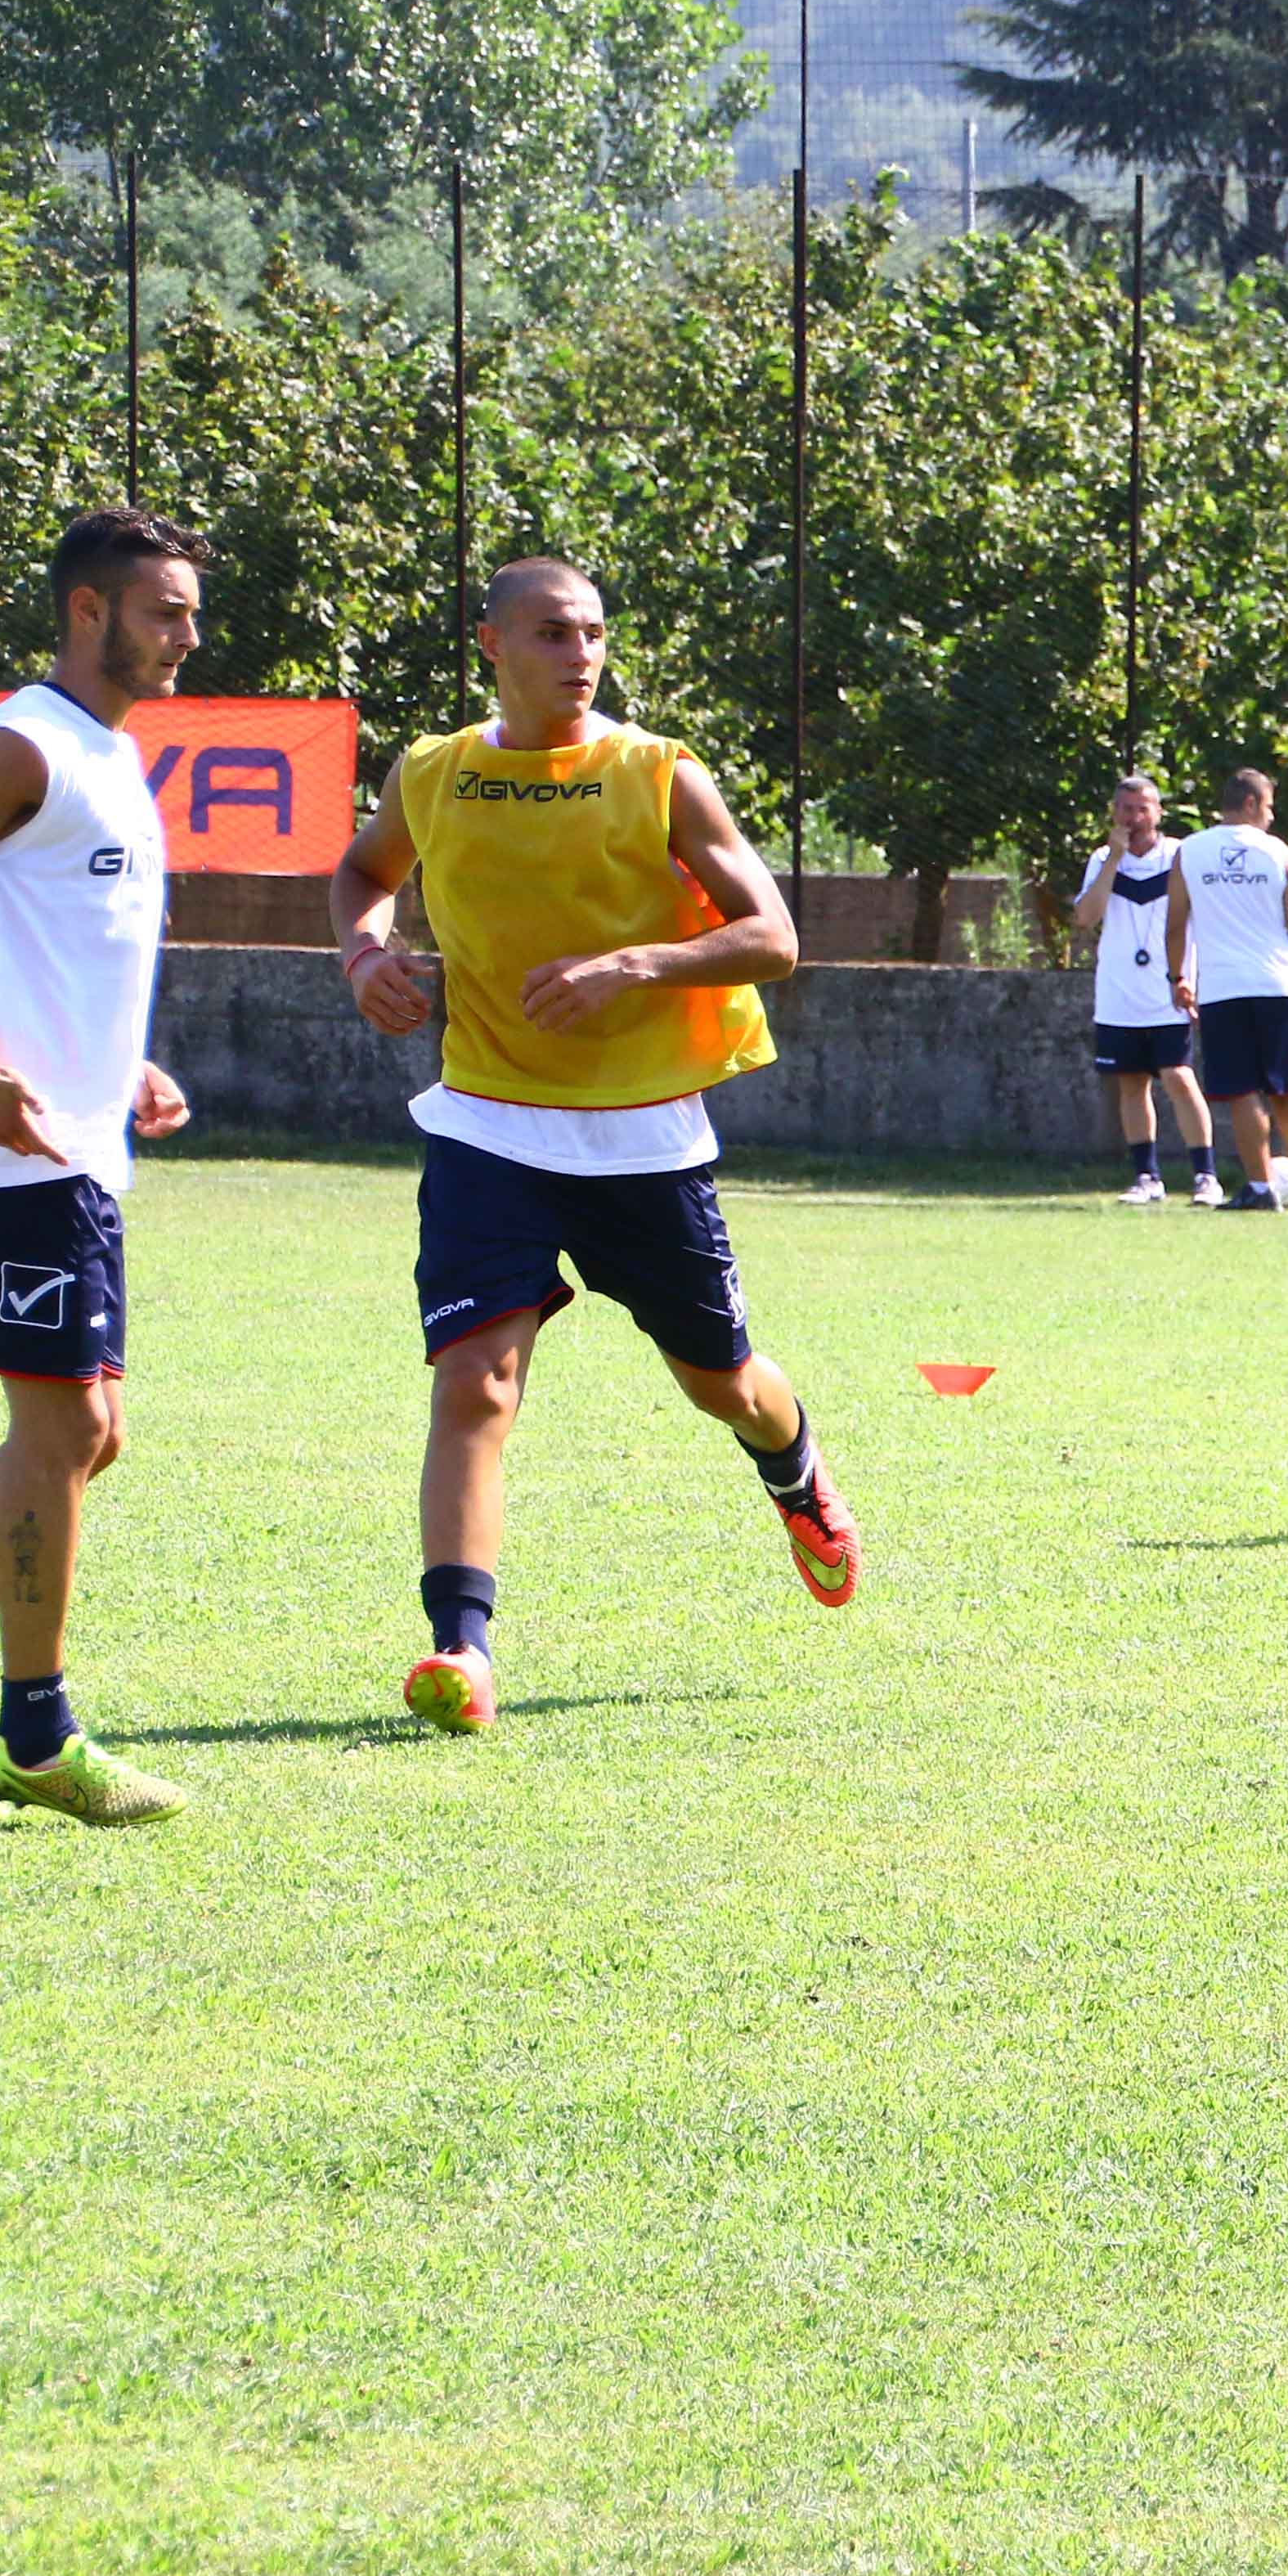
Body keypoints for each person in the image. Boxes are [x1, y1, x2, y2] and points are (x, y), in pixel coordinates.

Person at [334, 558, 863, 1737]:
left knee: (718, 1382)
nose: (580, 656)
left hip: (642, 1138)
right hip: (486, 1121)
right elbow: (365, 875)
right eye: (552, 634)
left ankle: (798, 1473)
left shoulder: (656, 771)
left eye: (594, 635)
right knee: (476, 1383)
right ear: (491, 646)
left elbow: (771, 935)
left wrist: (637, 965)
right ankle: (460, 1652)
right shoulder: (434, 770)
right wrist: (366, 956)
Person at [0, 510, 207, 1828]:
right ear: (86, 613)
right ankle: (37, 1737)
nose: (187, 635)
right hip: (2, 1155)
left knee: (83, 1435)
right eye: (164, 611)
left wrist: (131, 1064)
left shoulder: (107, 758)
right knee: (64, 1428)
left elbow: (50, 945)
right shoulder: (15, 747)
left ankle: (22, 1732)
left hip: (68, 1148)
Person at [1168, 768, 1288, 1211]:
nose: (1271, 817)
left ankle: (1260, 1186)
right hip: (1278, 984)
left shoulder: (1190, 851)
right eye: (1269, 807)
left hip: (1222, 989)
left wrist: (1179, 977)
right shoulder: (1278, 852)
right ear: (1251, 804)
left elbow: (1176, 923)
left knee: (1242, 1090)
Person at [1072, 774, 1219, 1205]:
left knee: (1178, 1077)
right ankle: (1146, 1177)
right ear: (1114, 814)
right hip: (1119, 993)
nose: (1134, 818)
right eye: (1125, 809)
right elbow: (1085, 917)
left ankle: (1205, 1176)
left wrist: (1190, 976)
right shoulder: (1103, 858)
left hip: (1168, 991)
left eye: (1143, 809)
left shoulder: (1180, 856)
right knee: (1131, 1083)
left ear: (1158, 812)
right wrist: (1114, 861)